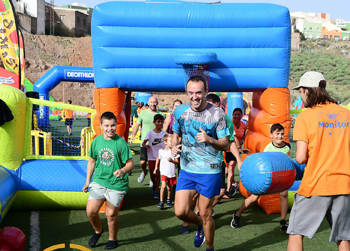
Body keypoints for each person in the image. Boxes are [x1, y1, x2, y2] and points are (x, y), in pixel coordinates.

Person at [287, 71, 350, 251]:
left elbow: (300, 157)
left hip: (315, 185)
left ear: (308, 90)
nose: (300, 95)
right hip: (344, 184)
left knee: (295, 233)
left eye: (300, 91)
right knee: (343, 237)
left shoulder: (305, 116)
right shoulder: (345, 114)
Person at [172, 75, 229, 251]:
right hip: (187, 169)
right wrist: (174, 148)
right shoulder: (179, 111)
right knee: (180, 212)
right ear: (186, 92)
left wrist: (210, 139)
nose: (194, 97)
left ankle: (210, 248)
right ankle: (199, 226)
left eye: (198, 92)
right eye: (191, 93)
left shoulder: (217, 113)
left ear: (205, 92)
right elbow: (176, 134)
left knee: (205, 213)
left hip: (210, 170)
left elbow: (225, 144)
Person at [82, 112, 134, 250]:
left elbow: (130, 164)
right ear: (101, 126)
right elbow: (91, 161)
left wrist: (122, 170)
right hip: (99, 181)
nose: (110, 128)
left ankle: (113, 239)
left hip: (117, 184)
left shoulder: (120, 143)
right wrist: (87, 181)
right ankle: (98, 231)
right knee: (91, 211)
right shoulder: (96, 141)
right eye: (107, 125)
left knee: (111, 214)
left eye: (113, 125)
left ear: (116, 125)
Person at [230, 123, 290, 231]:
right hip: (268, 177)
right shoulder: (268, 148)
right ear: (271, 135)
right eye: (277, 134)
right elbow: (263, 163)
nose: (280, 136)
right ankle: (237, 214)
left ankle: (283, 222)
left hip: (280, 176)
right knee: (254, 197)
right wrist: (250, 155)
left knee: (284, 194)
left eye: (282, 134)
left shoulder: (287, 147)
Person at [205, 94, 242, 216]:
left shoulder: (226, 119)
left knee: (221, 192)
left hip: (217, 160)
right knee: (199, 192)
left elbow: (231, 141)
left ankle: (204, 209)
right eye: (208, 106)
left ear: (219, 105)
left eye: (213, 106)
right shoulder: (199, 117)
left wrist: (239, 159)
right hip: (200, 160)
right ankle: (189, 221)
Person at [130, 96, 164, 184]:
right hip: (145, 143)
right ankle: (144, 172)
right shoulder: (143, 113)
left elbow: (164, 128)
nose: (153, 104)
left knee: (154, 164)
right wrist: (133, 135)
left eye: (155, 102)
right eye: (151, 102)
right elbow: (137, 125)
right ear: (148, 103)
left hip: (156, 144)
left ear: (157, 103)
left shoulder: (161, 114)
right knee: (142, 162)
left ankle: (152, 180)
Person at [142, 114, 167, 199]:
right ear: (154, 122)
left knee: (157, 174)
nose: (160, 123)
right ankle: (154, 185)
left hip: (161, 157)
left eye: (161, 121)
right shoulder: (150, 133)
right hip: (151, 156)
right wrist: (146, 146)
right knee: (153, 175)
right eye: (158, 121)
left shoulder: (165, 134)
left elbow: (168, 143)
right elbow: (143, 143)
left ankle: (156, 191)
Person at [224, 108, 247, 198]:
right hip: (226, 150)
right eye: (235, 114)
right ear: (232, 115)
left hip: (235, 151)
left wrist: (240, 147)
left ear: (241, 116)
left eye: (239, 114)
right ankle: (234, 183)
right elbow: (233, 137)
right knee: (226, 172)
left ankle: (227, 191)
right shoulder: (229, 123)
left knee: (231, 168)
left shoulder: (244, 125)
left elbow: (243, 136)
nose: (237, 116)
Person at [154, 134, 179, 209]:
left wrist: (172, 161)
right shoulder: (161, 151)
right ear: (165, 142)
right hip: (163, 171)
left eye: (173, 141)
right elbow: (158, 158)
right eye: (170, 141)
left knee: (169, 187)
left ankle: (168, 199)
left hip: (171, 172)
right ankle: (161, 201)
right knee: (163, 186)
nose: (172, 143)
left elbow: (177, 162)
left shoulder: (173, 151)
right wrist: (156, 168)